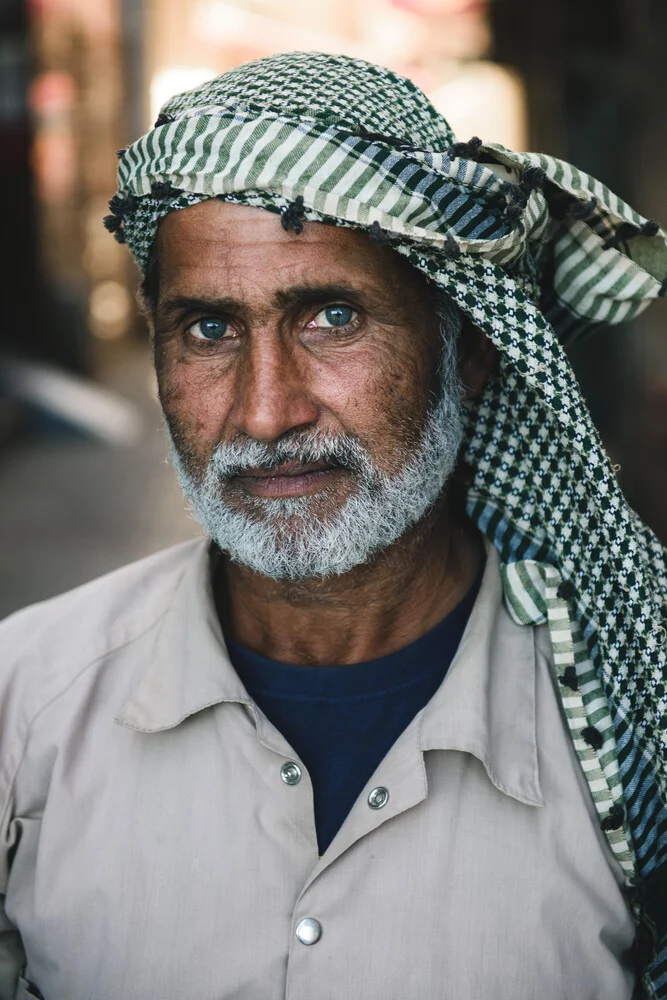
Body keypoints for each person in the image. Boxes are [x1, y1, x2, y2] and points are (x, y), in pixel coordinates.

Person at [2, 51, 667, 1000]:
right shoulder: (23, 704)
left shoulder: (636, 716)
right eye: (208, 330)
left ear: (467, 348)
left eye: (333, 316)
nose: (265, 413)